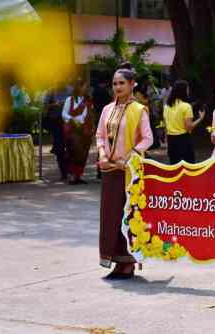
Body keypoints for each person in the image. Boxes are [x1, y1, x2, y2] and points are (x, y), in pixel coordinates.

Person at [96, 68, 153, 279]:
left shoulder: (139, 110)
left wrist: (128, 158)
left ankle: (127, 263)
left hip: (129, 171)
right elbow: (100, 135)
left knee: (127, 215)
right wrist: (102, 154)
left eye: (121, 83)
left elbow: (148, 139)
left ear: (132, 85)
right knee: (110, 215)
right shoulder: (107, 109)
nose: (117, 87)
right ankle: (115, 261)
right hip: (110, 169)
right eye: (114, 83)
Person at [163, 80, 205, 164]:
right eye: (187, 89)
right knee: (188, 167)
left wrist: (166, 141)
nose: (188, 91)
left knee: (174, 167)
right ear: (183, 91)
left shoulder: (166, 107)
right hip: (183, 140)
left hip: (171, 140)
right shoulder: (186, 106)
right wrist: (200, 118)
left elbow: (165, 126)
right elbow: (188, 127)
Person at [62, 80, 94, 185]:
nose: (86, 89)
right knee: (75, 151)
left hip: (86, 129)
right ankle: (72, 175)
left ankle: (78, 176)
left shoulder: (88, 100)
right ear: (78, 87)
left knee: (84, 153)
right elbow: (64, 114)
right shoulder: (69, 100)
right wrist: (73, 119)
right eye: (84, 86)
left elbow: (90, 114)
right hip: (73, 129)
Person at [44, 84, 68, 181]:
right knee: (60, 148)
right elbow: (44, 105)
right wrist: (55, 104)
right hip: (56, 122)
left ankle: (71, 171)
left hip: (69, 122)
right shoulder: (51, 90)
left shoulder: (70, 89)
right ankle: (64, 172)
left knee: (71, 147)